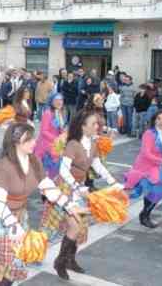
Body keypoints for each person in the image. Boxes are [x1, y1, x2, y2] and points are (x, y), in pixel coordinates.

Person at [0, 123, 84, 286]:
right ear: (16, 142)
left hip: (18, 215)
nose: (34, 142)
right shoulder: (5, 166)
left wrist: (67, 204)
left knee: (11, 268)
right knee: (6, 266)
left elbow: (46, 186)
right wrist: (13, 226)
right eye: (29, 139)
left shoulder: (33, 160)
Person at [40, 109, 123, 280]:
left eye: (97, 123)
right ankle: (59, 262)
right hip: (66, 188)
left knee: (79, 229)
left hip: (80, 189)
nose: (97, 126)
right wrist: (77, 187)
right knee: (71, 226)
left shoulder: (92, 143)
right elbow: (63, 170)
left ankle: (69, 260)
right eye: (93, 123)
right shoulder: (73, 144)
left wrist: (113, 182)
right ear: (83, 126)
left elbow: (97, 165)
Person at [124, 111, 162, 228]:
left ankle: (145, 214)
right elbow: (146, 153)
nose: (161, 122)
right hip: (145, 167)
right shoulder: (149, 133)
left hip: (157, 167)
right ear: (154, 120)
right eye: (159, 119)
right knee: (152, 192)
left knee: (158, 193)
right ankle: (145, 216)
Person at [34, 93, 67, 179]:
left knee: (57, 168)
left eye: (61, 100)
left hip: (57, 144)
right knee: (47, 169)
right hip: (46, 146)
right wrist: (57, 139)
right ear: (51, 102)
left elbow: (60, 128)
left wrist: (64, 134)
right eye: (56, 100)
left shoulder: (59, 113)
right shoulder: (48, 113)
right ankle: (45, 189)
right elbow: (44, 131)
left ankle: (53, 186)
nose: (59, 102)